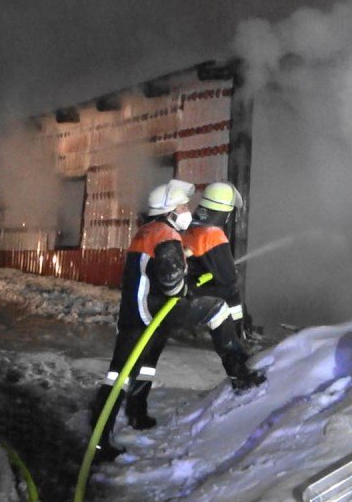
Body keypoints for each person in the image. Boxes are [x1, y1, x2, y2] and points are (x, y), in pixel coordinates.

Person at [89, 178, 265, 462]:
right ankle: (239, 374)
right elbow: (172, 282)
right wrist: (188, 286)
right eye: (182, 206)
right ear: (169, 210)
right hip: (152, 309)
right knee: (217, 310)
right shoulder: (166, 235)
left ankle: (132, 415)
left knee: (131, 369)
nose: (187, 211)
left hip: (133, 313)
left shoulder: (147, 231)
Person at [181, 182, 249, 337]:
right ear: (226, 212)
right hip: (193, 290)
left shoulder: (192, 227)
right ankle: (235, 335)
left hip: (186, 285)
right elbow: (228, 277)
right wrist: (230, 269)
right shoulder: (214, 235)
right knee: (231, 292)